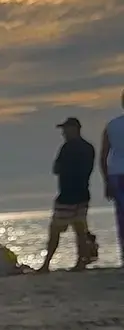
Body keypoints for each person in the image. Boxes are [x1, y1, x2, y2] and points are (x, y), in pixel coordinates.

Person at [37, 118, 95, 273]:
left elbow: (56, 168)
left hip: (67, 195)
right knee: (80, 229)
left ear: (74, 129)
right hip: (83, 193)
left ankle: (46, 264)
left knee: (55, 230)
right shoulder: (89, 148)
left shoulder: (67, 148)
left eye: (65, 129)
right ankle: (81, 262)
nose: (63, 133)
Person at [100, 90, 124, 266]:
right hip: (117, 174)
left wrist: (106, 180)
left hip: (116, 174)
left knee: (121, 217)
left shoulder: (111, 125)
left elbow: (103, 156)